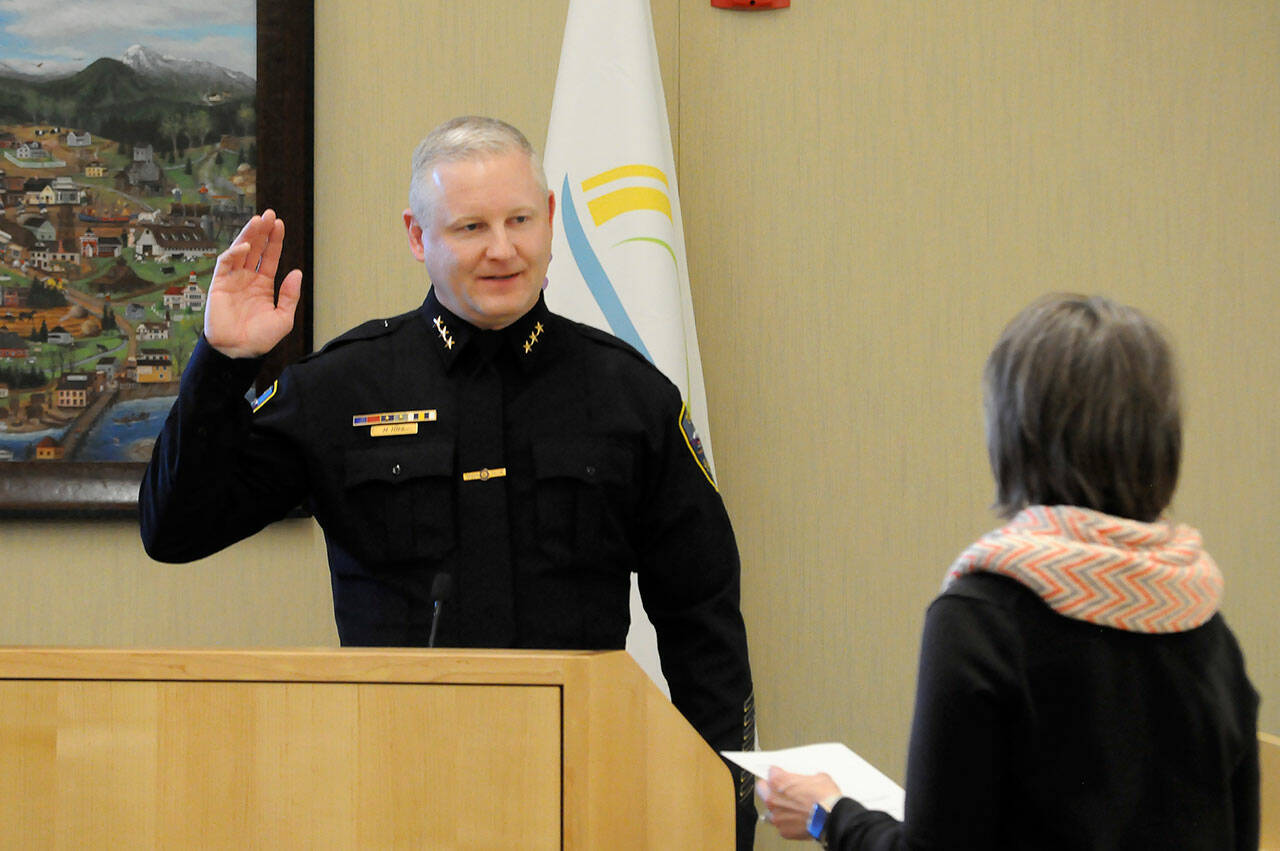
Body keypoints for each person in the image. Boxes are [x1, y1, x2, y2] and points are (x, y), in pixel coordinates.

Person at [140, 115, 757, 847]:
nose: (503, 249)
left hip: (586, 790)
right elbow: (176, 528)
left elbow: (703, 624)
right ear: (417, 235)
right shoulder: (343, 387)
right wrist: (222, 363)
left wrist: (723, 811)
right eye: (469, 227)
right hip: (394, 793)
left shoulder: (628, 396)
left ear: (550, 219)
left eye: (520, 219)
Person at [757, 294, 1258, 850]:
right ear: (1162, 440)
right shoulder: (1208, 628)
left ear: (1015, 434)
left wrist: (828, 814)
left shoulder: (980, 619)